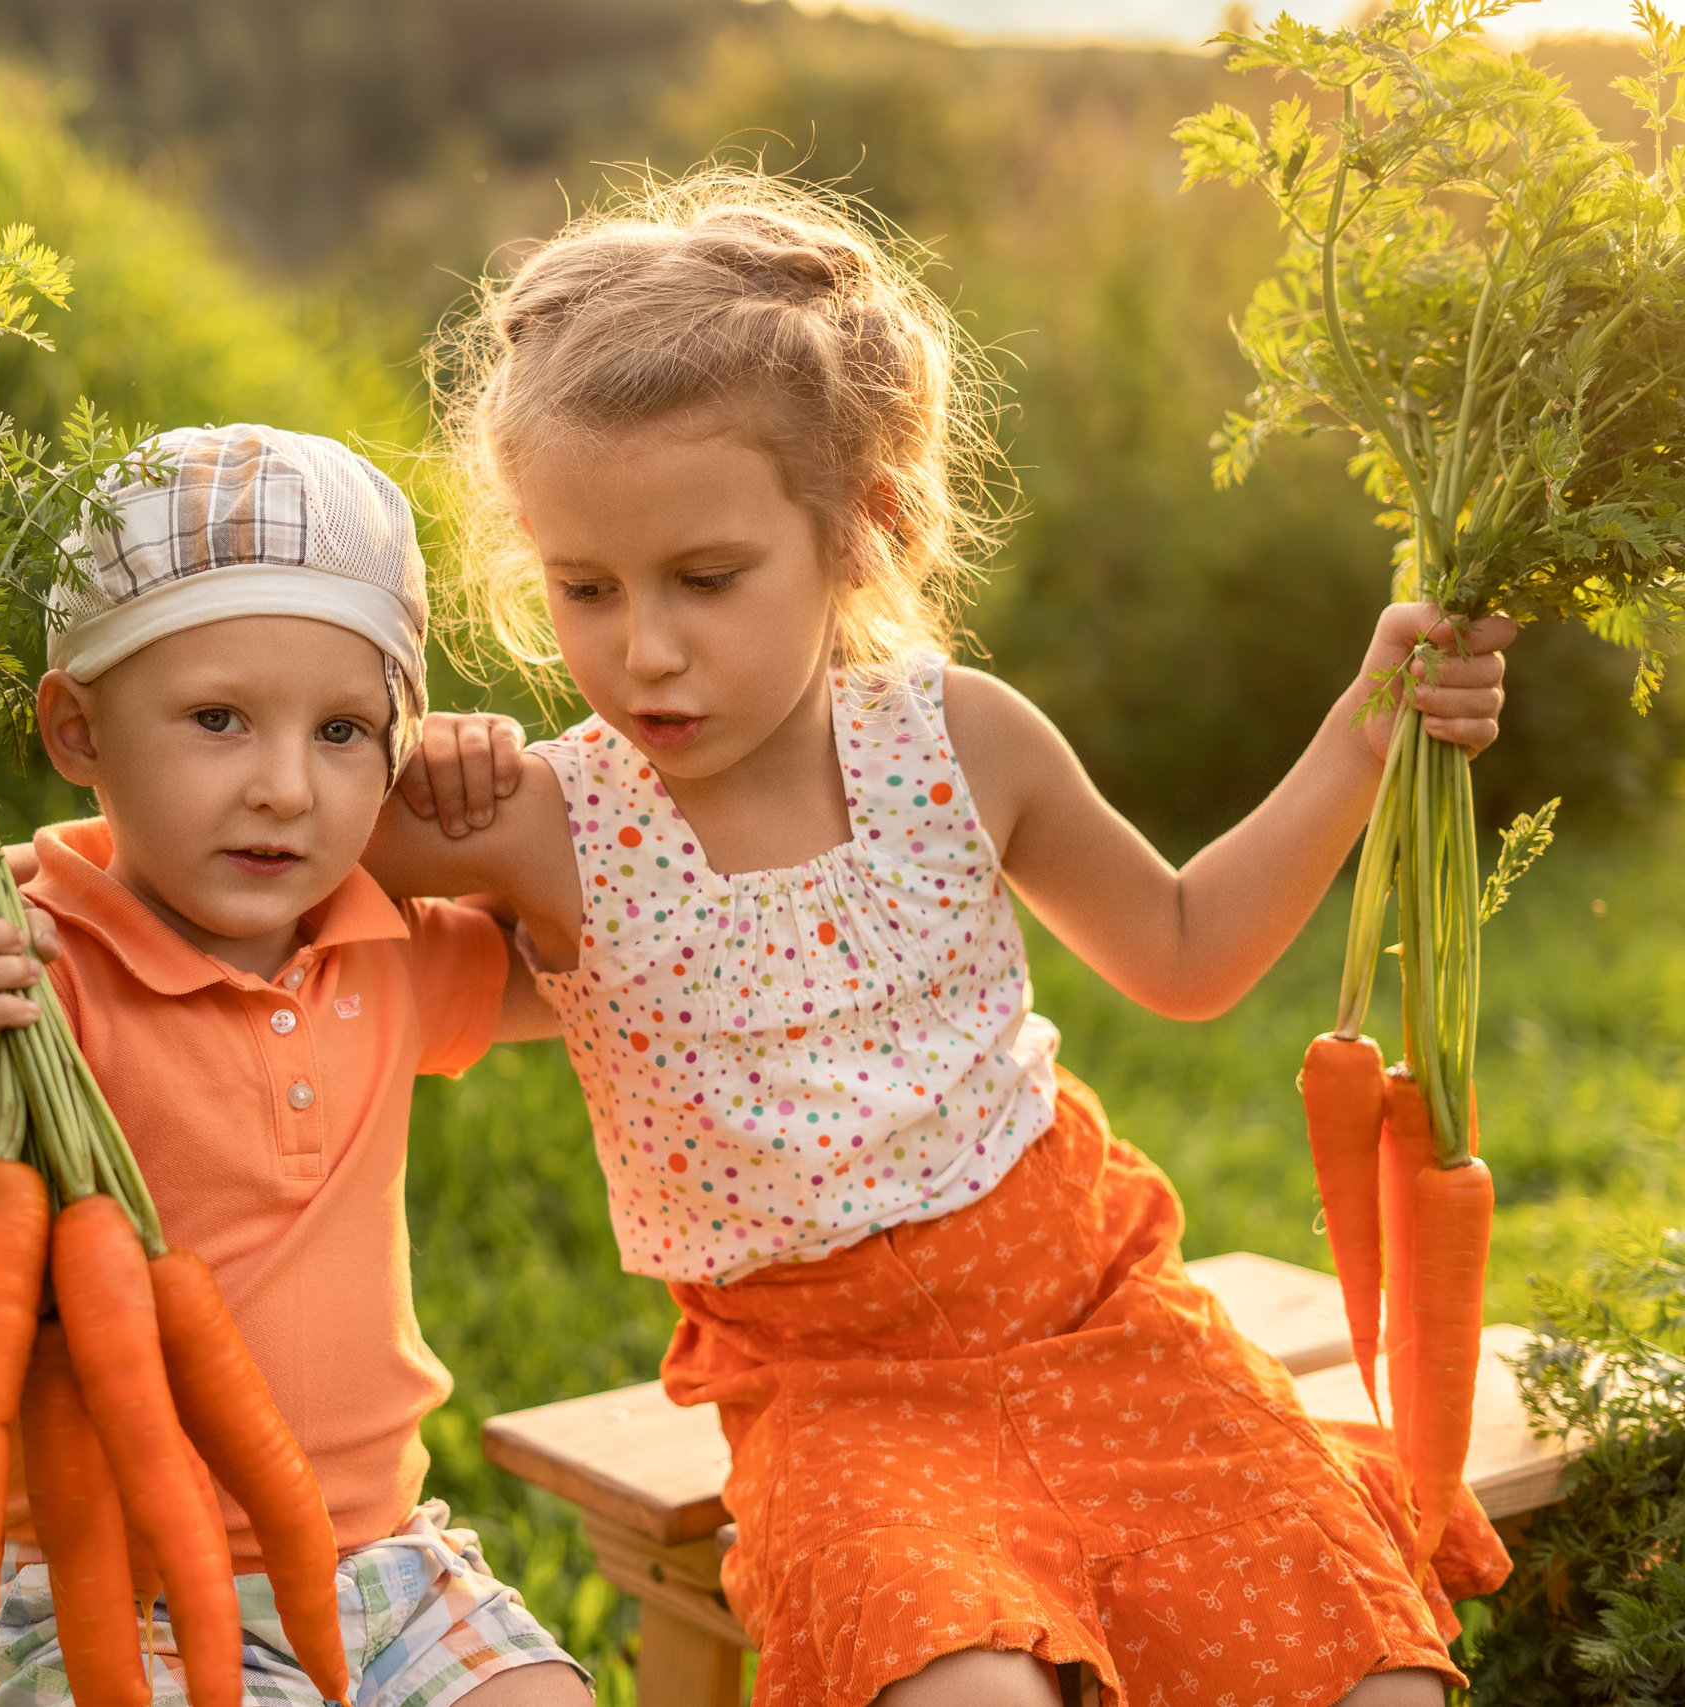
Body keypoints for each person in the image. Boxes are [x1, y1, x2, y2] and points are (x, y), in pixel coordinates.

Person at [366, 169, 1518, 1707]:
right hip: (835, 1398)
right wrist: (385, 744)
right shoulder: (544, 817)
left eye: (707, 579)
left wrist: (1367, 732)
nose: (644, 649)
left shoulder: (963, 741)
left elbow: (1186, 952)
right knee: (965, 1689)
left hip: (1103, 1316)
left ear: (864, 527)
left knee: (1371, 1678)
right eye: (586, 587)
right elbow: (243, 838)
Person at [0, 422, 592, 1707]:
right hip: (119, 1588)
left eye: (341, 732)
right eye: (218, 720)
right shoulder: (35, 961)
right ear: (77, 730)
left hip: (379, 1560)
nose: (283, 788)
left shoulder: (382, 941)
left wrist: (498, 820)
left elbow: (585, 970)